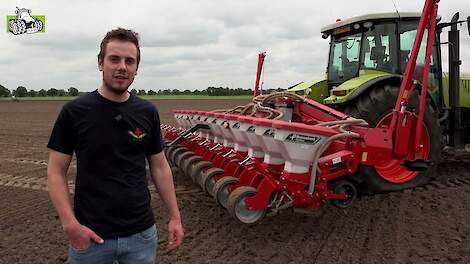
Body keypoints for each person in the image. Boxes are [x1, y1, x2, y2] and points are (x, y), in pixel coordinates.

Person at [47, 28, 184, 264]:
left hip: (141, 236)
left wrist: (175, 217)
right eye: (114, 59)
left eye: (129, 61)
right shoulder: (74, 112)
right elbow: (55, 172)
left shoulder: (147, 112)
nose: (122, 66)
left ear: (136, 69)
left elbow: (160, 167)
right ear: (100, 63)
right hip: (90, 238)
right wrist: (70, 225)